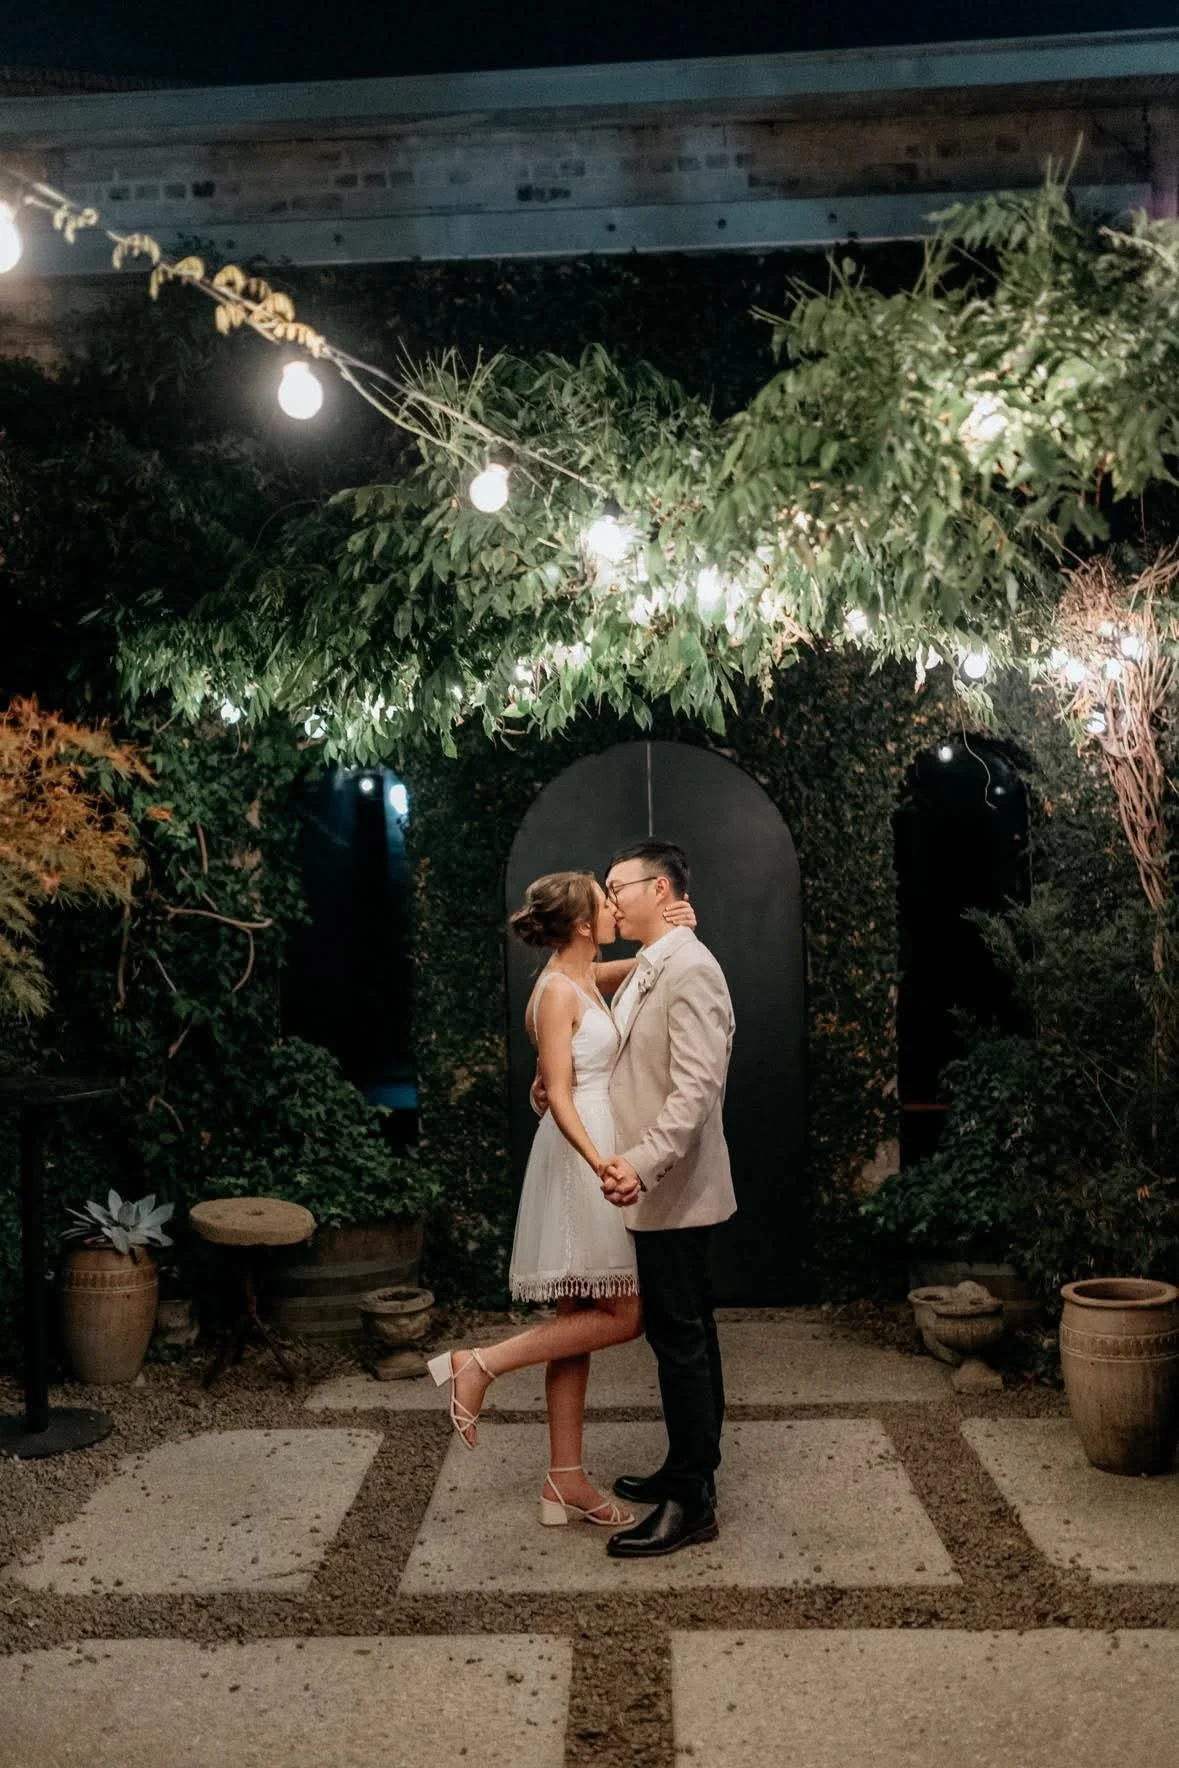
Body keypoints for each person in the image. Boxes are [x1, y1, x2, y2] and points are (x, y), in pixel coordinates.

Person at [427, 869, 696, 1531]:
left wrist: (674, 934)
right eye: (605, 904)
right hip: (583, 1154)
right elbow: (561, 1094)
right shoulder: (555, 991)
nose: (614, 909)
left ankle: (564, 1478)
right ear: (581, 924)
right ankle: (478, 1364)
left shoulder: (583, 975)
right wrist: (600, 1160)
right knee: (624, 1314)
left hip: (592, 1142)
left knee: (573, 1321)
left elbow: (639, 971)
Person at [593, 840, 736, 1560]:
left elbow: (695, 1091)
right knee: (685, 1334)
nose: (608, 899)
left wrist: (641, 1165)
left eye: (616, 886)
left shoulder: (690, 968)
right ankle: (688, 1465)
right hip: (658, 1188)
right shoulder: (657, 960)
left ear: (658, 889)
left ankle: (693, 1500)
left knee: (680, 1340)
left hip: (674, 1187)